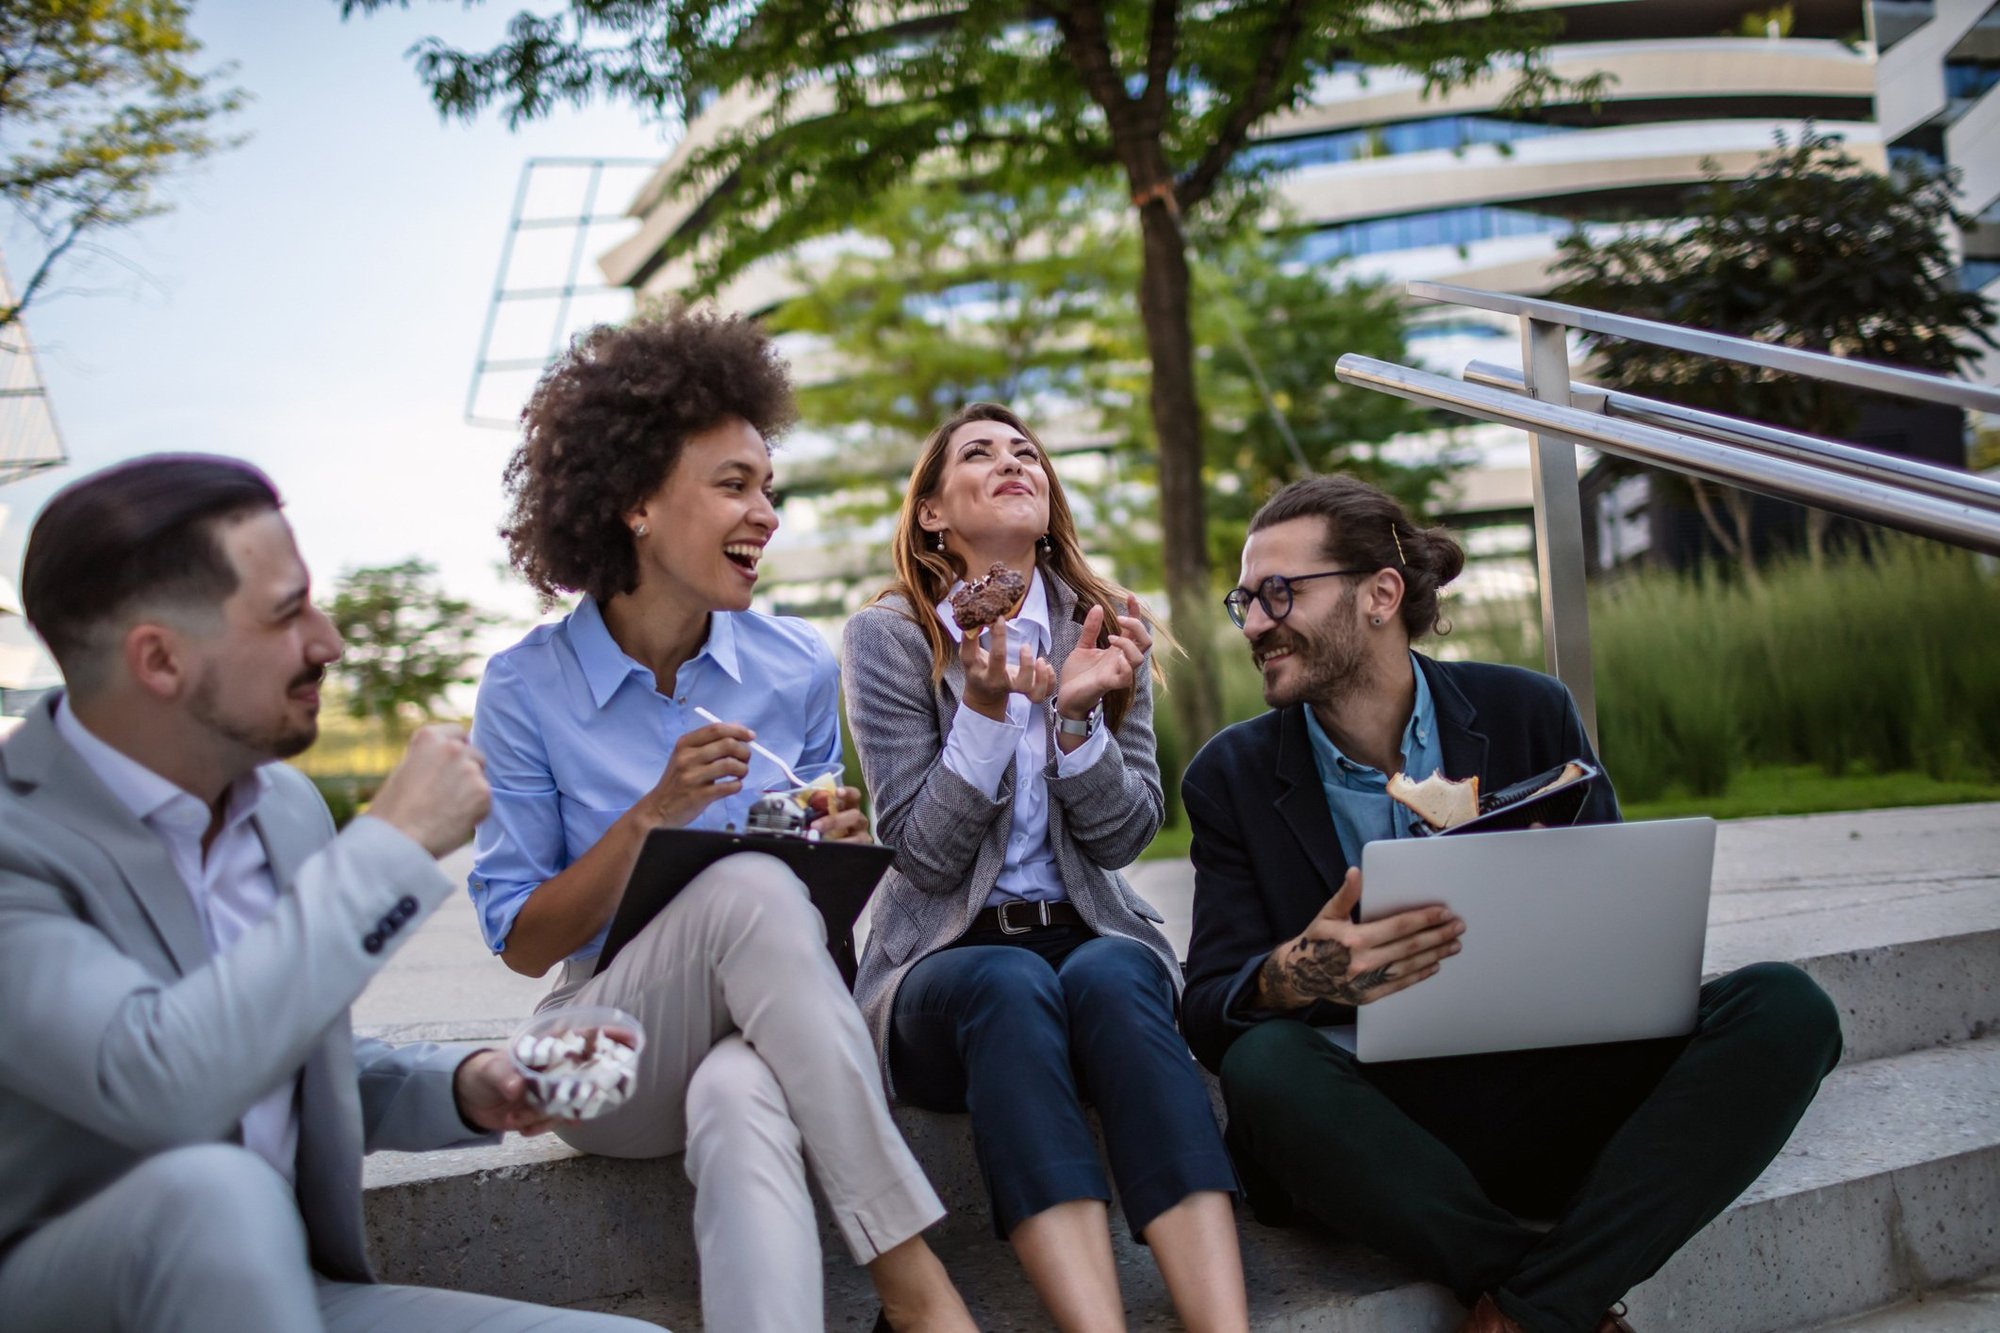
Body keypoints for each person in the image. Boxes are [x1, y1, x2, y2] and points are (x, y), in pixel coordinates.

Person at [0, 455, 659, 1333]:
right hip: (78, 1304)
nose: (329, 640)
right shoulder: (16, 841)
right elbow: (160, 1078)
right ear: (158, 658)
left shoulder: (281, 806)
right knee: (216, 1191)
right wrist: (389, 845)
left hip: (287, 1297)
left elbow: (276, 1052)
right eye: (286, 612)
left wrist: (469, 1084)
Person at [1180, 474, 1845, 1333]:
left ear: (1381, 594)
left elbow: (1625, 933)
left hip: (1553, 1088)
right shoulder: (1228, 776)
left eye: (1279, 593)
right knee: (1265, 1068)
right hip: (1382, 1125)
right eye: (1246, 601)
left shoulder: (1530, 710)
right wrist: (1299, 973)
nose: (1256, 623)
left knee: (1787, 1007)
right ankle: (1554, 1300)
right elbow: (1207, 1010)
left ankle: (1522, 1312)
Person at [467, 312, 972, 1333]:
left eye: (768, 488)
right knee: (743, 886)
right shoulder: (523, 689)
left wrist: (839, 846)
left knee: (742, 1094)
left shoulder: (790, 664)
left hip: (761, 1032)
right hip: (599, 1051)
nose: (766, 514)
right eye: (733, 484)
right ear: (635, 503)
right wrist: (656, 815)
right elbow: (524, 944)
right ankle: (916, 1288)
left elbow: (813, 890)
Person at [844, 402, 1247, 1333]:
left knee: (1115, 971)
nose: (1012, 462)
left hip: (1086, 929)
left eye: (1027, 451)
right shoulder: (892, 635)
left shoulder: (1106, 625)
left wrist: (1074, 722)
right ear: (934, 512)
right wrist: (984, 715)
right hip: (943, 963)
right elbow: (921, 852)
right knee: (1009, 982)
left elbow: (1125, 836)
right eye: (978, 454)